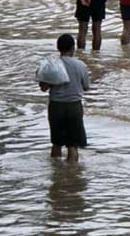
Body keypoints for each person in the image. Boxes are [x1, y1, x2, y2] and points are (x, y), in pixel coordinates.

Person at [39, 34, 91, 163]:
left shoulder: (51, 65)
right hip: (74, 106)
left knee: (56, 143)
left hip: (56, 107)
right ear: (73, 48)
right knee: (73, 145)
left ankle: (56, 171)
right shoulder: (80, 65)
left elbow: (43, 87)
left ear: (58, 48)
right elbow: (86, 87)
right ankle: (72, 174)